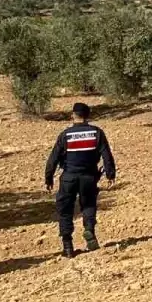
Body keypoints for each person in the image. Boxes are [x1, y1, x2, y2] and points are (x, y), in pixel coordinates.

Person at [44, 101, 116, 258]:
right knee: (89, 205)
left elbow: (53, 158)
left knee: (65, 210)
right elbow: (106, 155)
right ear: (87, 116)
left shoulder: (65, 135)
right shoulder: (97, 133)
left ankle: (68, 246)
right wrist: (110, 174)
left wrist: (48, 178)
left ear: (73, 116)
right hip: (89, 177)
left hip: (69, 177)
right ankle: (89, 230)